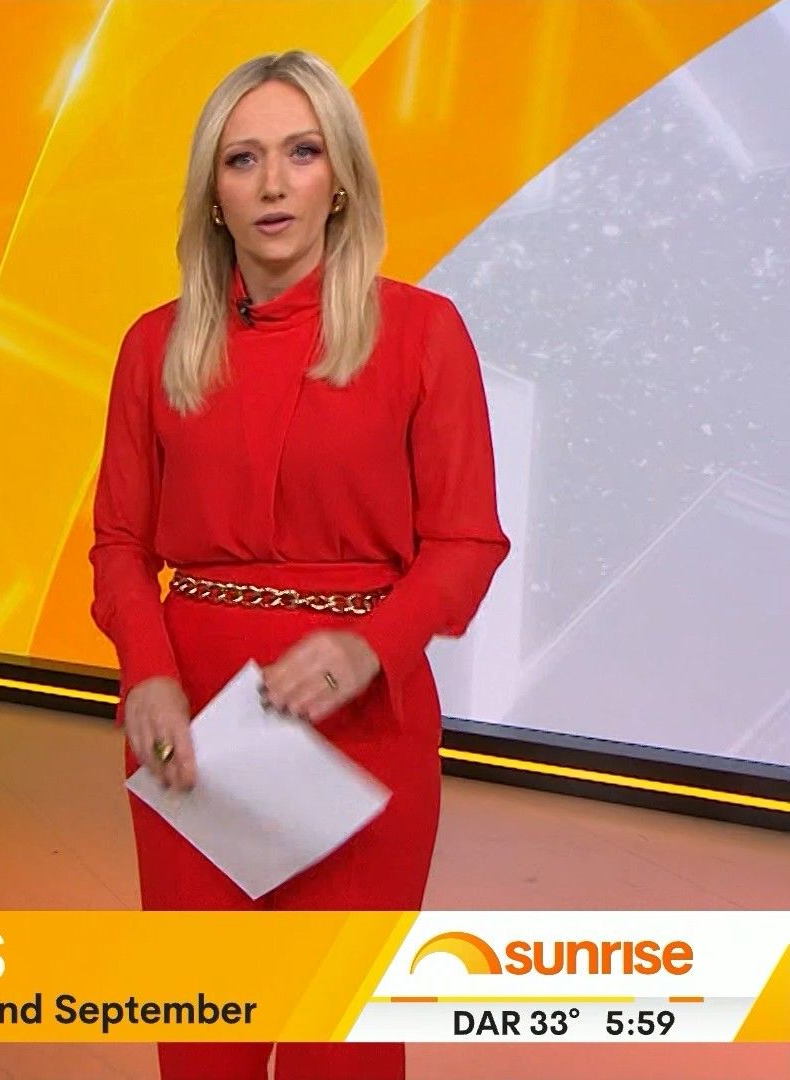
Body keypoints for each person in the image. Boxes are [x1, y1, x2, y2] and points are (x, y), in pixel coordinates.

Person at [89, 49, 510, 1080]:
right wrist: (146, 673)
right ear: (213, 196)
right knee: (205, 1038)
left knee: (341, 1042)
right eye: (243, 160)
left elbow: (467, 542)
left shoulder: (423, 334)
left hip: (363, 727)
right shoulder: (152, 347)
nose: (273, 184)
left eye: (302, 153)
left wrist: (371, 647)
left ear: (342, 181)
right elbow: (120, 544)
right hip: (193, 723)